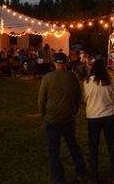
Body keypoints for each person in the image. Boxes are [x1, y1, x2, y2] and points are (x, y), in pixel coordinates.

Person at [38, 52, 87, 184]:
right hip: (68, 118)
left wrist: (43, 114)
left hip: (52, 119)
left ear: (54, 63)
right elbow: (78, 97)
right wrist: (74, 111)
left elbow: (41, 99)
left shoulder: (48, 78)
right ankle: (82, 173)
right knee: (73, 146)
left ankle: (59, 179)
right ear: (65, 63)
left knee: (53, 150)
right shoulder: (72, 77)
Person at [83, 60, 114, 184]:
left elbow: (85, 98)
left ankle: (93, 177)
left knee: (93, 148)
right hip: (109, 116)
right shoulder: (110, 81)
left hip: (93, 117)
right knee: (112, 147)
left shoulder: (87, 82)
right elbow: (112, 96)